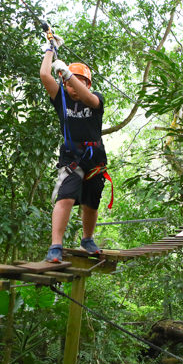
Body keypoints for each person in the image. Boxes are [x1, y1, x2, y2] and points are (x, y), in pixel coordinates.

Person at [39, 35, 108, 263]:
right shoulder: (61, 99)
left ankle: (87, 239)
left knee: (91, 201)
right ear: (64, 85)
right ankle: (55, 245)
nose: (73, 87)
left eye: (79, 82)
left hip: (95, 156)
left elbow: (89, 99)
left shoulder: (95, 98)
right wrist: (51, 49)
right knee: (65, 196)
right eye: (69, 83)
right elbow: (44, 75)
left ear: (88, 84)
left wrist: (68, 73)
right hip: (72, 157)